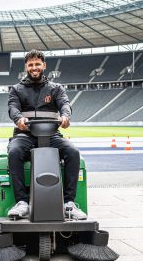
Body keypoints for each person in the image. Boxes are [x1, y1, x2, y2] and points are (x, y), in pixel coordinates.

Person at [6, 49, 86, 220]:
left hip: (51, 135)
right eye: (31, 65)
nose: (34, 67)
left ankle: (68, 203)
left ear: (44, 65)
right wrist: (18, 118)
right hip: (25, 135)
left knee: (73, 152)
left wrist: (65, 116)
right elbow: (13, 108)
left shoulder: (55, 89)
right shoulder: (16, 89)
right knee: (14, 152)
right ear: (26, 67)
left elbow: (65, 104)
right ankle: (22, 202)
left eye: (37, 64)